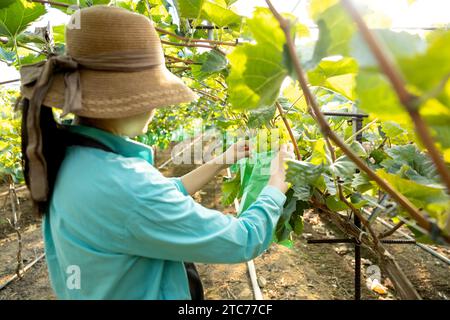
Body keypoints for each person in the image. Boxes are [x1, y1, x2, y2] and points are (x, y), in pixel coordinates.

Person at [19, 6, 294, 300]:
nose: (156, 105)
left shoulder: (75, 159)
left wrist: (221, 159)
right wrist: (276, 184)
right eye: (151, 93)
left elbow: (163, 194)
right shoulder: (125, 186)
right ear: (125, 99)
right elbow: (242, 240)